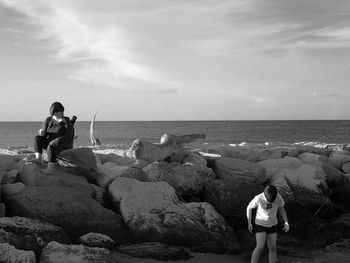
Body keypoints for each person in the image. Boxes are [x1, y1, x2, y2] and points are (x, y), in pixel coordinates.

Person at [246, 185, 289, 263]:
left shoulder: (278, 197)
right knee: (260, 247)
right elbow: (249, 208)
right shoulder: (259, 198)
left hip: (272, 225)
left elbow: (281, 208)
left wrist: (286, 221)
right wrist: (249, 223)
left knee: (273, 248)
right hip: (261, 224)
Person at [27, 102, 74, 173]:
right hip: (51, 143)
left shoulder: (66, 120)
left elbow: (69, 135)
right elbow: (44, 136)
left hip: (64, 143)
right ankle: (39, 159)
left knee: (51, 145)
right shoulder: (48, 120)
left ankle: (50, 169)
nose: (60, 113)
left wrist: (58, 139)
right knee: (37, 138)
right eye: (58, 111)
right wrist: (42, 132)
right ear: (53, 112)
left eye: (61, 111)